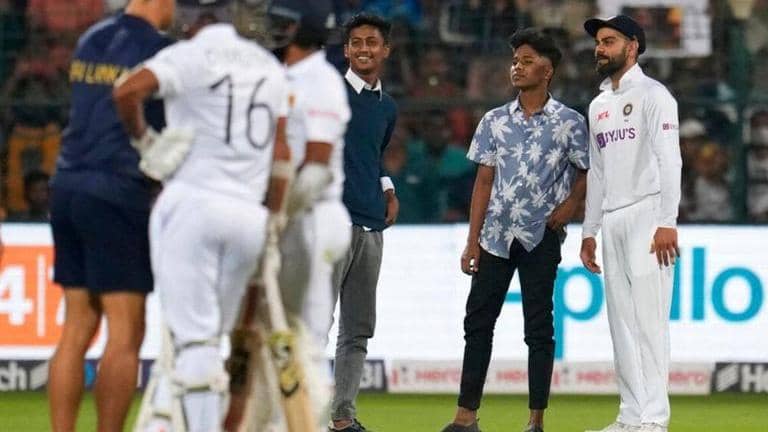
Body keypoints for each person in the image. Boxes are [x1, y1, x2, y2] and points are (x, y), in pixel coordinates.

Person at [113, 0, 290, 430]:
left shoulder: (187, 55)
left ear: (193, 18)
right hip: (248, 216)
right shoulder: (269, 67)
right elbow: (282, 152)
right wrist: (274, 216)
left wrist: (146, 142)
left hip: (193, 204)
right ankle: (162, 423)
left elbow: (126, 91)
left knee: (192, 342)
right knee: (206, 341)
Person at [440, 28, 589, 432]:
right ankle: (465, 417)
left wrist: (571, 206)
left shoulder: (570, 122)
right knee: (477, 323)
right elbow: (483, 181)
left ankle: (535, 420)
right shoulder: (493, 121)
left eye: (526, 61)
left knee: (538, 328)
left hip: (541, 234)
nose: (517, 67)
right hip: (494, 236)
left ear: (548, 70)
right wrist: (471, 241)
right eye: (515, 61)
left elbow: (588, 171)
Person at [46, 2, 174, 430]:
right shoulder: (157, 49)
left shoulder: (91, 38)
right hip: (117, 189)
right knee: (126, 331)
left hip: (67, 184)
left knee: (76, 327)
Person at [580, 14, 682, 432]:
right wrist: (589, 231)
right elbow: (598, 173)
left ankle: (654, 419)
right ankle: (630, 416)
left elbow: (670, 158)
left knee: (649, 322)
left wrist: (667, 221)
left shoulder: (655, 95)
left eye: (609, 41)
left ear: (633, 46)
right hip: (612, 219)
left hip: (647, 213)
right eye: (599, 42)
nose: (600, 48)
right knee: (621, 324)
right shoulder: (598, 105)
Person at [330, 12, 398, 432]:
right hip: (330, 223)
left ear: (385, 50)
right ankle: (297, 416)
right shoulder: (328, 95)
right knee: (314, 325)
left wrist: (388, 187)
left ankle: (343, 418)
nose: (363, 49)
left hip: (371, 225)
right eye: (356, 42)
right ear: (346, 50)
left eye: (371, 42)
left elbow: (373, 155)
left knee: (357, 330)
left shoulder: (387, 106)